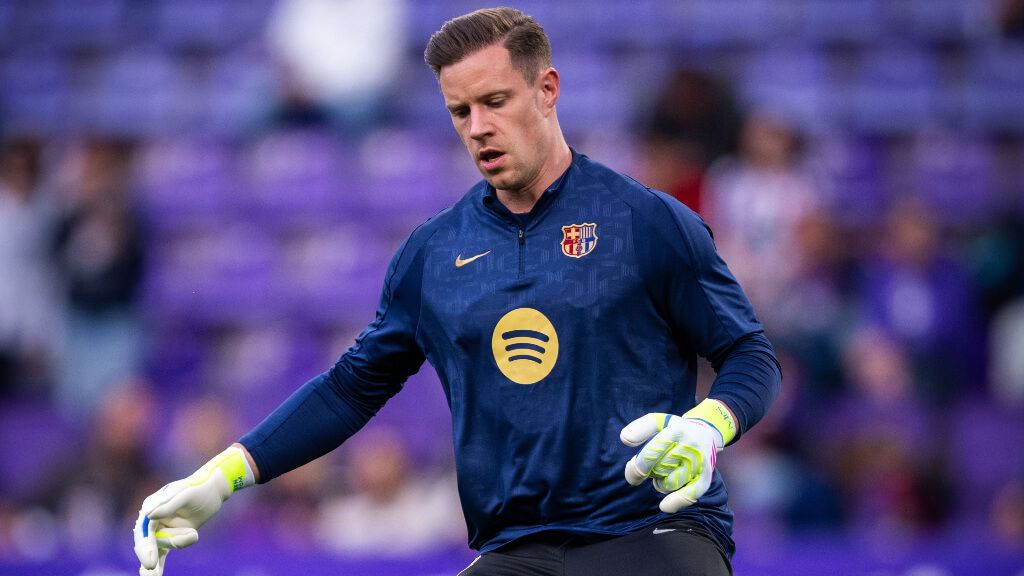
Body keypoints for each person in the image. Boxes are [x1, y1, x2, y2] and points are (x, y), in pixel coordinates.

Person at [133, 8, 781, 576]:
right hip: (517, 550)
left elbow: (750, 354)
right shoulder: (434, 254)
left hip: (652, 533)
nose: (477, 127)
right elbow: (350, 388)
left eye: (495, 101)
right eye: (460, 110)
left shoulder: (646, 222)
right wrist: (220, 478)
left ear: (546, 90)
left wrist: (708, 425)